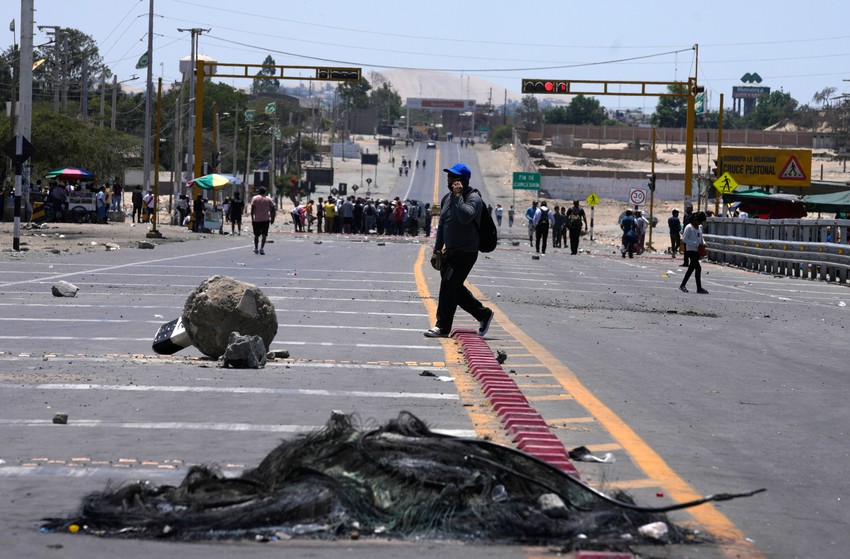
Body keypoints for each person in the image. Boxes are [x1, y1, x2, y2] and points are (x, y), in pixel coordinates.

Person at [424, 163, 494, 339]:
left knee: (448, 286)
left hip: (466, 252)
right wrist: (436, 249)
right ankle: (483, 314)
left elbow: (464, 217)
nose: (449, 179)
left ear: (462, 180)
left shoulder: (473, 199)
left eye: (453, 177)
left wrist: (457, 197)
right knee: (454, 288)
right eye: (449, 176)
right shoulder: (447, 198)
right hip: (450, 251)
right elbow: (442, 225)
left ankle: (442, 326)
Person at [680, 211, 708, 294]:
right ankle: (699, 288)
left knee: (691, 268)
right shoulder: (689, 227)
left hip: (697, 251)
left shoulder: (699, 227)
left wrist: (703, 243)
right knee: (698, 268)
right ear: (695, 219)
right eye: (699, 221)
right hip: (690, 250)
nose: (700, 223)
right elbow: (684, 239)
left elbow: (701, 237)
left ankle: (683, 285)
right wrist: (695, 244)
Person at [250, 186, 275, 255]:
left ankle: (256, 248)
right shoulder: (269, 199)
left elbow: (252, 210)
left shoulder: (255, 198)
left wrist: (252, 219)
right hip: (265, 220)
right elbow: (273, 209)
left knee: (256, 235)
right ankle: (261, 248)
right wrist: (273, 218)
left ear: (259, 191)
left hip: (257, 220)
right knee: (264, 235)